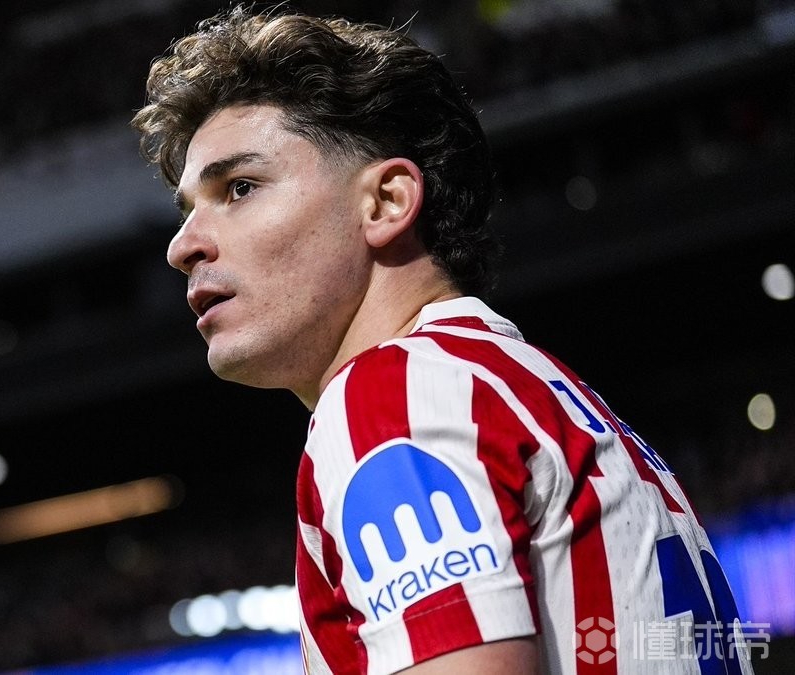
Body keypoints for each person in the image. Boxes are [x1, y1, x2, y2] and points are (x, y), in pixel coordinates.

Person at [132, 7, 753, 675]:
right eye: (187, 210)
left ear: (387, 202)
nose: (181, 247)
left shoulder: (392, 394)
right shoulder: (529, 388)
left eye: (240, 188)